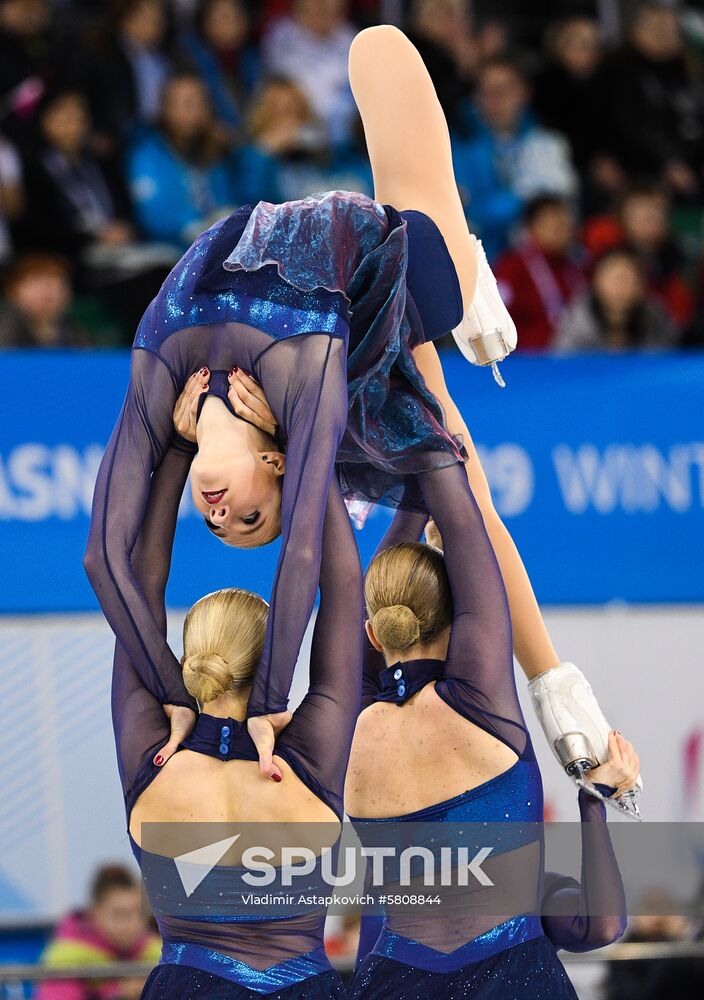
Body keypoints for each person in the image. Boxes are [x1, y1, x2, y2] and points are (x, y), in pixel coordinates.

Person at [84, 26, 482, 769]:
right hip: (407, 267)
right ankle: (474, 265)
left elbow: (109, 558)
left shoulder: (158, 385)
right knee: (445, 273)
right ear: (278, 458)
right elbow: (310, 553)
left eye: (217, 527)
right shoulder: (304, 377)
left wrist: (170, 692)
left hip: (315, 290)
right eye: (249, 517)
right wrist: (268, 701)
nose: (221, 514)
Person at [112, 374, 363, 996]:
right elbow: (344, 587)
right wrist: (298, 458)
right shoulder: (305, 759)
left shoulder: (153, 756)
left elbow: (138, 586)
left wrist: (179, 448)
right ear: (268, 664)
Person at [345, 466, 637, 998]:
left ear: (371, 630)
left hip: (389, 981)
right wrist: (593, 798)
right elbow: (603, 927)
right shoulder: (479, 702)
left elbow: (436, 548)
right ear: (463, 627)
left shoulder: (354, 725)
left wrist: (420, 480)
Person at [452, 57, 579, 260]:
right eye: (487, 91)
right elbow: (469, 214)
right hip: (481, 261)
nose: (496, 99)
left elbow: (562, 209)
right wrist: (524, 197)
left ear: (525, 93)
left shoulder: (546, 144)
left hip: (539, 264)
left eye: (505, 89)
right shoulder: (457, 146)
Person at [126, 72, 241, 248]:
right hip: (169, 256)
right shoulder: (145, 154)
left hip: (213, 249)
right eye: (186, 103)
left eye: (200, 103)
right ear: (166, 108)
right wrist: (197, 227)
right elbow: (152, 217)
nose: (193, 110)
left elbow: (225, 200)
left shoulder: (211, 149)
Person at [602, 2, 704, 196]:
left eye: (668, 26)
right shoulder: (620, 69)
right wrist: (666, 163)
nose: (662, 33)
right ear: (636, 29)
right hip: (644, 172)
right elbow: (629, 126)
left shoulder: (690, 66)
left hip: (692, 163)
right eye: (654, 25)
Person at [36, 863, 160, 1000]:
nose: (131, 924)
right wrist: (121, 995)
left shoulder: (160, 954)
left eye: (138, 912)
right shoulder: (66, 959)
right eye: (119, 914)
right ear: (95, 913)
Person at [261, 0, 357, 149]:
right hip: (295, 122)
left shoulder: (351, 39)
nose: (320, 15)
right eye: (313, 9)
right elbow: (278, 87)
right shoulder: (281, 38)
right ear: (298, 10)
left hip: (342, 130)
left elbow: (355, 91)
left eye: (326, 10)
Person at [495, 195, 586, 351]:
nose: (560, 231)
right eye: (553, 226)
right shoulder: (513, 268)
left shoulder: (577, 267)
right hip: (526, 362)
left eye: (564, 225)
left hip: (574, 356)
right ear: (531, 228)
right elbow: (496, 318)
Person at [555, 249, 678, 353]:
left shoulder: (656, 320)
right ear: (597, 282)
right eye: (615, 279)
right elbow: (562, 367)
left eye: (628, 279)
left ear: (641, 286)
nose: (621, 287)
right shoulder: (577, 321)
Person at [178, 0, 259, 137]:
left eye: (237, 16)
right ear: (206, 22)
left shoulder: (253, 60)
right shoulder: (189, 58)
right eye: (224, 17)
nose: (233, 23)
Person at [0, 253, 85, 348]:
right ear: (13, 290)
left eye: (58, 283)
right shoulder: (4, 333)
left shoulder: (76, 334)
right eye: (37, 282)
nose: (49, 291)